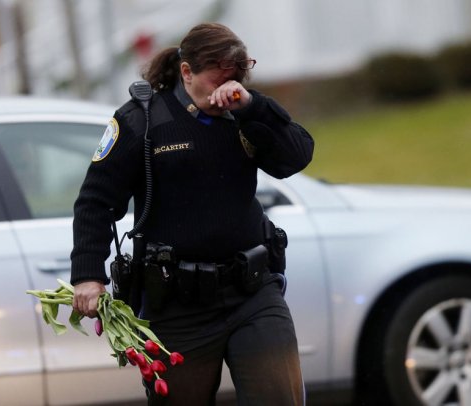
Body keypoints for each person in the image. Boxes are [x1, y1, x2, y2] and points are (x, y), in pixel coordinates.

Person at [70, 22, 314, 405]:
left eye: (233, 82)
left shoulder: (243, 113)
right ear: (186, 72)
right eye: (215, 81)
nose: (222, 93)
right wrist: (87, 275)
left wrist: (251, 106)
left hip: (252, 292)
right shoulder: (143, 121)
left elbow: (295, 157)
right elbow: (95, 201)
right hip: (178, 306)